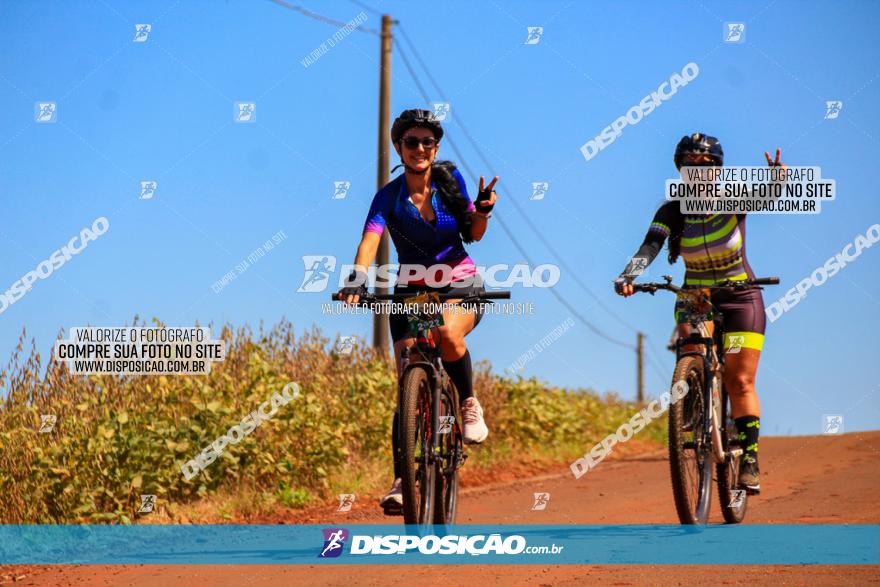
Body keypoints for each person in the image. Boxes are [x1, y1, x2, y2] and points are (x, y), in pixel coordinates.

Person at [338, 109, 499, 511]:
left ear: (436, 147)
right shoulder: (387, 197)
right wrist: (357, 278)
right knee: (406, 382)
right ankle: (401, 477)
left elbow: (472, 235)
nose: (420, 149)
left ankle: (467, 403)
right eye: (412, 142)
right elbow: (369, 241)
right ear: (399, 147)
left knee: (446, 333)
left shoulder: (449, 181)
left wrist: (482, 211)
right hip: (412, 290)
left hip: (460, 282)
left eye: (428, 142)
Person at [615, 133, 784, 495]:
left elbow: (766, 197)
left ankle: (749, 459)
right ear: (680, 170)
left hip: (741, 297)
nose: (698, 172)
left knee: (740, 381)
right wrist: (630, 275)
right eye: (690, 166)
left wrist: (776, 178)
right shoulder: (672, 209)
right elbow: (651, 245)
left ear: (718, 171)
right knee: (691, 348)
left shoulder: (733, 198)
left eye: (706, 166)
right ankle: (693, 399)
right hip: (696, 296)